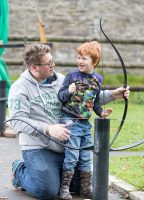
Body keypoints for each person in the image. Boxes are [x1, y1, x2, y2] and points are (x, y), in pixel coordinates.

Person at [8, 42, 129, 200]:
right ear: (34, 67)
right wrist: (48, 129)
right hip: (39, 149)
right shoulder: (20, 88)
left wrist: (113, 95)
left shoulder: (62, 80)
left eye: (53, 60)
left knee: (85, 186)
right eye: (49, 63)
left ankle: (53, 175)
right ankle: (20, 170)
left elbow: (86, 99)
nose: (54, 65)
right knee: (48, 191)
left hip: (67, 146)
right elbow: (17, 120)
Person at [57, 41, 112, 199]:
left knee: (86, 157)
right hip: (70, 120)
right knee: (72, 156)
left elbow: (94, 102)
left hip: (85, 124)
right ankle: (64, 189)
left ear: (94, 62)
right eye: (78, 57)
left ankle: (85, 189)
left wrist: (101, 113)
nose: (79, 61)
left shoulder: (98, 79)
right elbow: (60, 97)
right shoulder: (71, 76)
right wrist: (69, 90)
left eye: (84, 58)